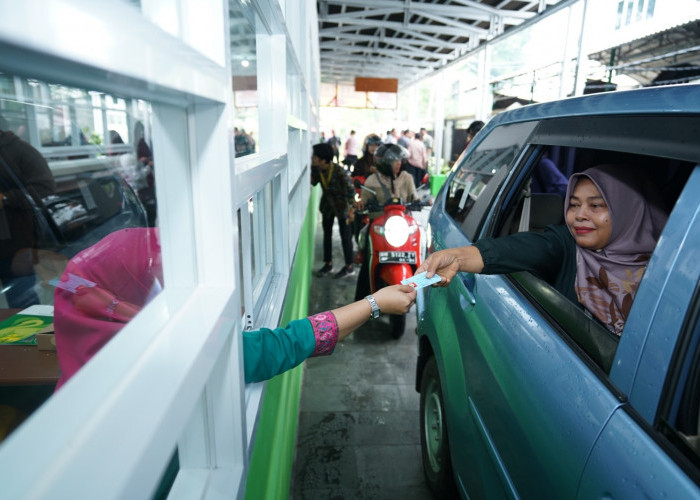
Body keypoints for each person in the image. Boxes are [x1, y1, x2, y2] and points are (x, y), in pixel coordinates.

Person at [52, 227, 417, 389]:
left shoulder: (93, 331)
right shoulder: (169, 346)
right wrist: (374, 303)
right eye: (155, 278)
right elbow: (277, 348)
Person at [417, 164, 668, 336]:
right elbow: (519, 248)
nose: (580, 215)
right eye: (574, 204)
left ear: (628, 212)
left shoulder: (669, 268)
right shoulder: (566, 245)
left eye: (596, 206)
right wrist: (458, 258)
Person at [0, 116, 56, 307]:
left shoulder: (21, 150)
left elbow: (45, 188)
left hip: (15, 244)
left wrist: (7, 198)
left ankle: (39, 338)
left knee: (24, 302)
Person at [354, 144, 417, 301]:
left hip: (401, 226)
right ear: (384, 162)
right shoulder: (372, 181)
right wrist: (361, 203)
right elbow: (364, 200)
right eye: (395, 161)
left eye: (399, 161)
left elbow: (414, 198)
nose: (399, 164)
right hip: (380, 228)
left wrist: (422, 201)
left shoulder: (407, 178)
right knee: (367, 259)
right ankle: (361, 303)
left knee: (419, 246)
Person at [310, 142, 356, 279]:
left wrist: (351, 210)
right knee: (327, 236)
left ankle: (349, 267)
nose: (312, 158)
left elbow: (351, 190)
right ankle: (328, 264)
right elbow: (313, 182)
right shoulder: (317, 170)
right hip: (327, 208)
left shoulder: (339, 171)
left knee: (346, 237)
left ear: (323, 159)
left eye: (314, 156)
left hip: (343, 209)